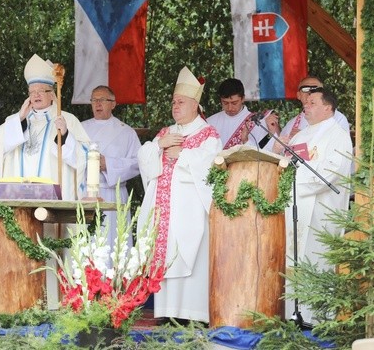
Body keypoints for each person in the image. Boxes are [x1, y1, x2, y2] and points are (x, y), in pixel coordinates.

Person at [137, 66, 221, 323]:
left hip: (189, 209)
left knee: (189, 256)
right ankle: (166, 311)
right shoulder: (166, 133)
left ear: (195, 105)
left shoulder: (208, 134)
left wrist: (181, 156)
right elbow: (145, 160)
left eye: (181, 102)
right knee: (165, 254)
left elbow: (211, 166)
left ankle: (193, 315)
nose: (175, 106)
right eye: (173, 102)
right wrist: (157, 146)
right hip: (162, 209)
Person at [273, 88, 352, 323]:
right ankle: (292, 315)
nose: (306, 105)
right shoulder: (300, 136)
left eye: (312, 102)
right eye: (305, 102)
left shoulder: (338, 135)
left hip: (320, 212)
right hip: (294, 208)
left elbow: (331, 173)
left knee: (316, 260)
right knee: (293, 260)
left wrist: (293, 182)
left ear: (328, 108)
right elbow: (283, 167)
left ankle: (317, 319)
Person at [0, 54, 90, 199]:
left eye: (41, 91)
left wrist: (64, 135)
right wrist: (20, 118)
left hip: (54, 198)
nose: (36, 95)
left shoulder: (67, 119)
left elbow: (84, 156)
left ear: (51, 94)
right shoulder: (18, 119)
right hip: (20, 196)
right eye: (32, 91)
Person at [81, 85, 141, 249]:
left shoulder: (126, 132)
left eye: (102, 100)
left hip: (112, 193)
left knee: (111, 241)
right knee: (87, 242)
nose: (98, 104)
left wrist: (108, 164)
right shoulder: (80, 129)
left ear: (113, 104)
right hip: (85, 193)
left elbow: (137, 162)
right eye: (94, 100)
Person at [206, 78, 279, 150]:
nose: (230, 108)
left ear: (243, 98)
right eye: (225, 103)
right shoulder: (210, 122)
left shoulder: (257, 121)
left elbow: (267, 151)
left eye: (234, 103)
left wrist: (245, 139)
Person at [279, 76, 350, 139]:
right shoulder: (291, 124)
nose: (310, 92)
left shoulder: (337, 118)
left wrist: (303, 137)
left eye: (315, 89)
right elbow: (280, 151)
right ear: (298, 95)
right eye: (305, 89)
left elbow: (338, 146)